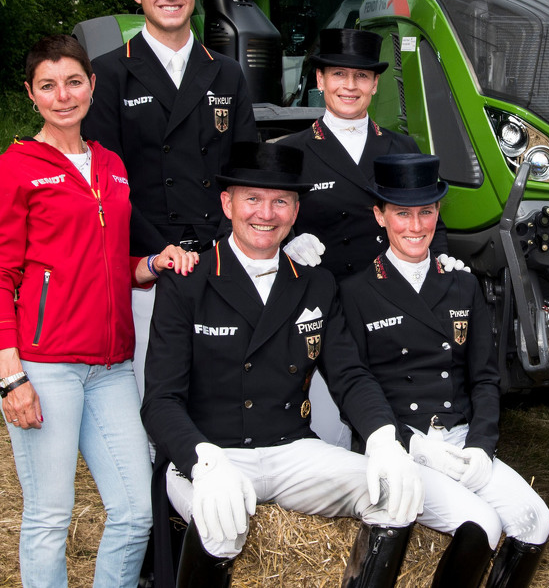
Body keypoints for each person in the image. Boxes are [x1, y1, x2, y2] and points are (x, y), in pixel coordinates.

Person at [141, 142, 425, 588]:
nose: (266, 213)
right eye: (252, 198)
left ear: (295, 212)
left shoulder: (314, 283)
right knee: (221, 521)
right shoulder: (188, 284)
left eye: (281, 201)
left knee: (394, 496)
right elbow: (160, 401)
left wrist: (384, 437)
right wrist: (202, 461)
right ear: (227, 203)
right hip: (212, 452)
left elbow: (349, 376)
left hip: (291, 448)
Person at [0, 34, 198, 588]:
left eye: (73, 82)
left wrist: (154, 262)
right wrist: (11, 376)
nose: (63, 95)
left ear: (92, 86)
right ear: (31, 94)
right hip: (44, 365)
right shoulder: (14, 169)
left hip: (111, 368)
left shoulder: (111, 165)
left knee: (134, 512)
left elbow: (109, 264)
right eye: (48, 86)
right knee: (50, 517)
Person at [339, 154, 549, 588]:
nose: (416, 227)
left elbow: (485, 378)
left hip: (458, 441)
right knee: (482, 525)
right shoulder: (357, 292)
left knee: (536, 521)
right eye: (403, 214)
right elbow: (353, 390)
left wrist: (481, 445)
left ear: (438, 212)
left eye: (426, 212)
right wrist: (409, 445)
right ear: (380, 216)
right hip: (401, 446)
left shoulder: (462, 283)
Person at [82, 0, 260, 400]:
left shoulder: (226, 72)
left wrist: (228, 246)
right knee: (153, 395)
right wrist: (159, 254)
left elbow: (244, 169)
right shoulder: (107, 72)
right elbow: (106, 183)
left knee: (219, 390)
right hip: (148, 266)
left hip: (218, 257)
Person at [277, 27, 451, 280]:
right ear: (320, 80)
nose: (350, 86)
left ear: (375, 84)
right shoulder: (290, 151)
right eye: (338, 74)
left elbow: (432, 222)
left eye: (361, 75)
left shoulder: (403, 148)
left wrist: (438, 268)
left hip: (391, 295)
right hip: (321, 294)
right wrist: (285, 245)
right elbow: (258, 221)